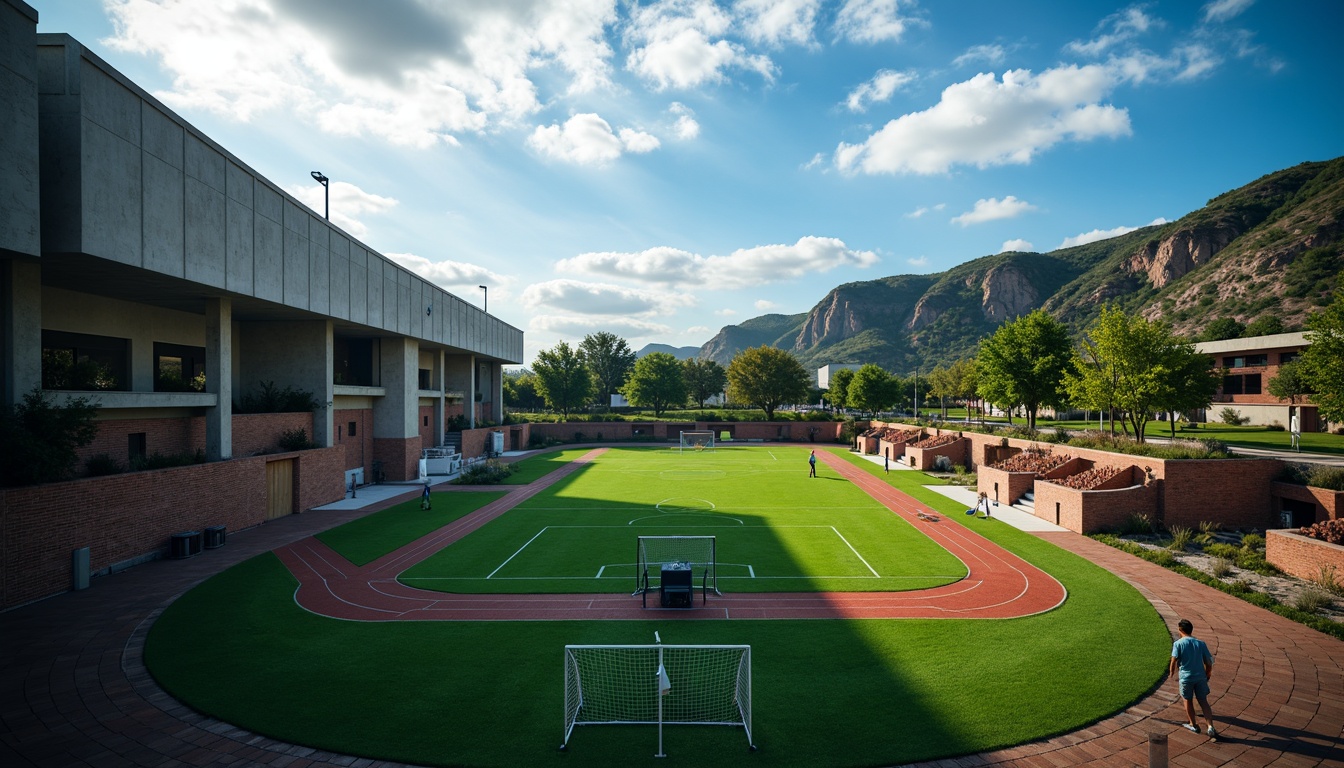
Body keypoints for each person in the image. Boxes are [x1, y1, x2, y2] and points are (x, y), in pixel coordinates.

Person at [1169, 619, 1217, 739]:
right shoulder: (1200, 643)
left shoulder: (1178, 644)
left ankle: (1193, 724)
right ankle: (1210, 726)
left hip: (1186, 677)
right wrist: (1208, 674)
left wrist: (1172, 672)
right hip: (1200, 676)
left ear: (1180, 630)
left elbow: (1174, 659)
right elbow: (1209, 662)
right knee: (1203, 701)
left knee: (1187, 700)